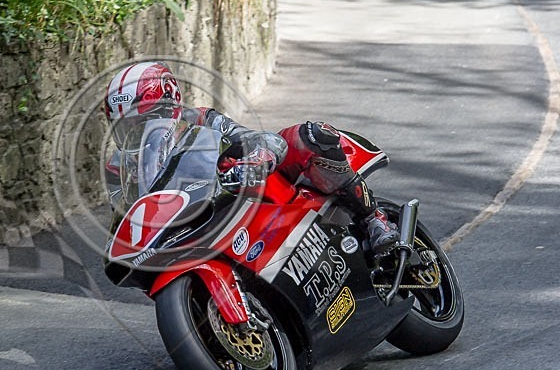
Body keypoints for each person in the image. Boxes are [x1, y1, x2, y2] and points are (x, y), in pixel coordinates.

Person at [103, 61, 399, 253]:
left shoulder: (202, 120)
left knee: (307, 137)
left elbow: (255, 138)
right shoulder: (118, 167)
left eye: (143, 122)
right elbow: (125, 219)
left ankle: (374, 218)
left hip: (247, 193)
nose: (137, 132)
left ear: (170, 107)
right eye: (126, 126)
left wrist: (255, 159)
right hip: (196, 225)